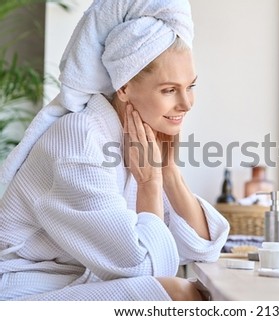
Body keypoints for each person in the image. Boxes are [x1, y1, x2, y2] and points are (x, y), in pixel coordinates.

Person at [0, 0, 229, 301]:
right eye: (169, 90)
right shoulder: (79, 139)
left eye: (191, 86)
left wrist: (168, 171)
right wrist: (149, 184)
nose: (186, 103)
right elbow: (144, 267)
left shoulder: (133, 141)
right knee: (179, 295)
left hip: (76, 287)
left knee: (196, 293)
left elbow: (201, 246)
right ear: (123, 88)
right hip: (22, 295)